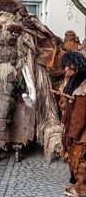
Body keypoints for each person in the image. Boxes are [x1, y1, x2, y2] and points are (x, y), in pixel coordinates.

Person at [60, 50, 86, 197]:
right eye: (65, 66)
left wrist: (72, 135)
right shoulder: (74, 80)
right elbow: (67, 105)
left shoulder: (83, 85)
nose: (66, 69)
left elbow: (80, 115)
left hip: (82, 131)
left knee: (79, 159)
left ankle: (79, 188)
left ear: (77, 65)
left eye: (68, 66)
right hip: (76, 127)